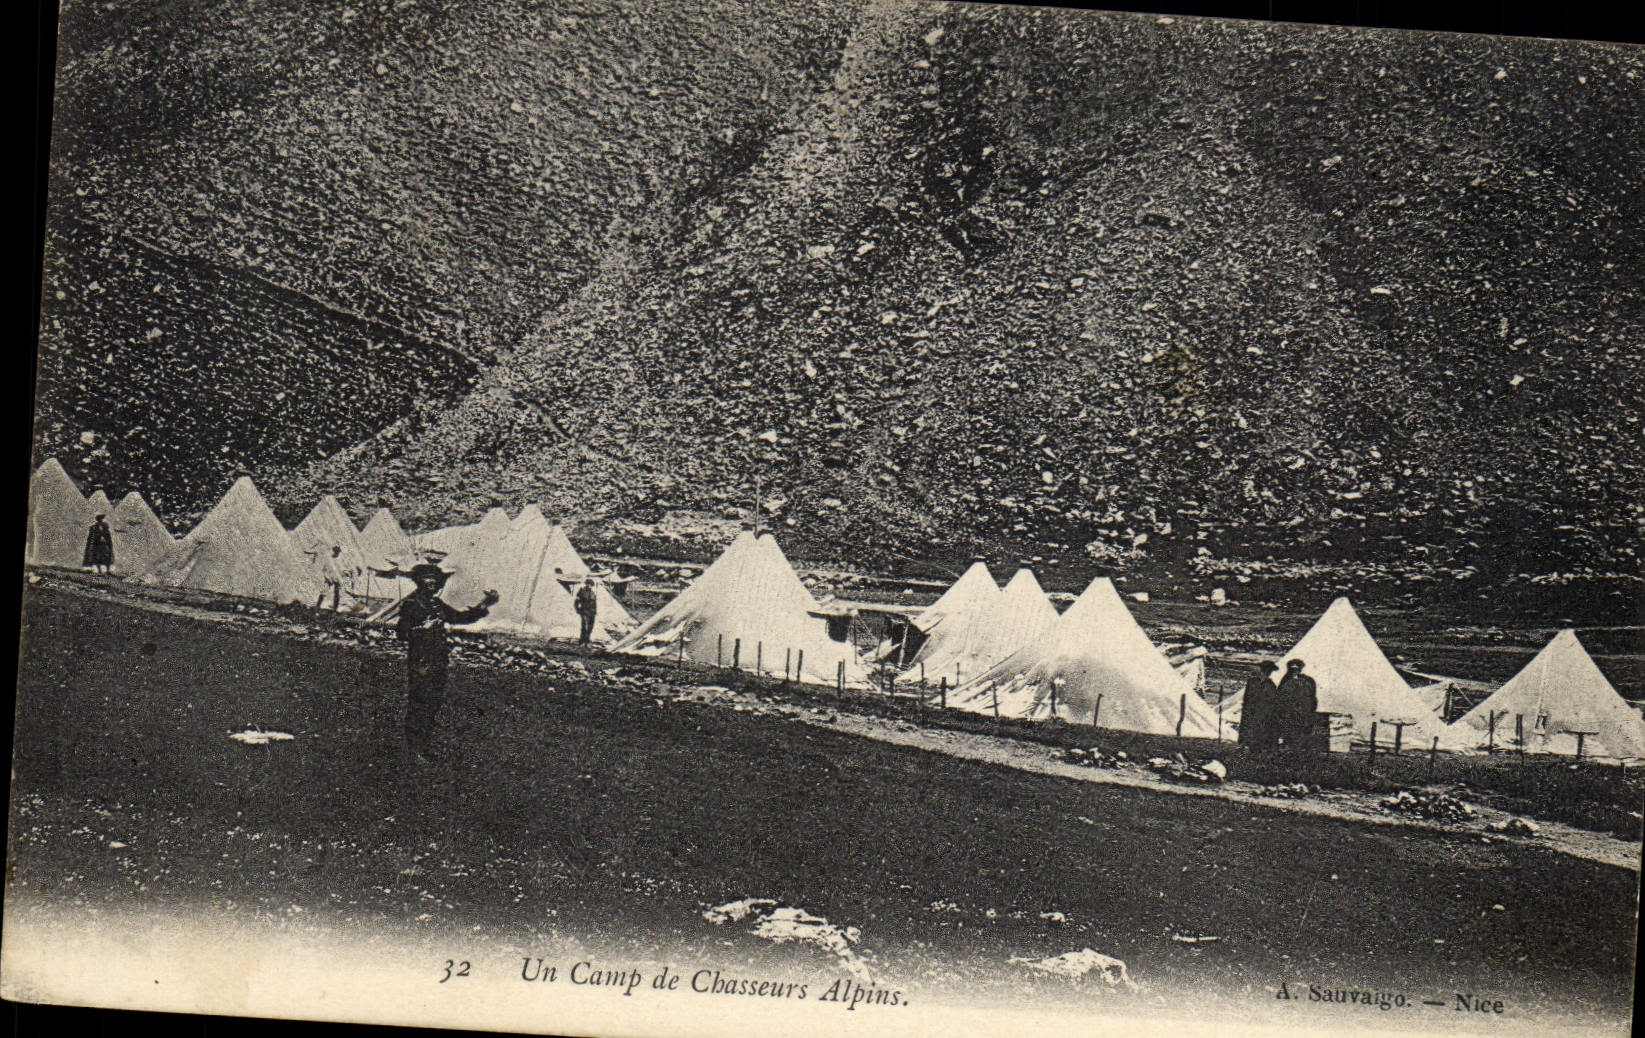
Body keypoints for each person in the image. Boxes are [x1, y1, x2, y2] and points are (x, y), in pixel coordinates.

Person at [396, 562, 499, 760]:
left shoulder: (436, 604)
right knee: (419, 704)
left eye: (434, 579)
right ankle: (414, 749)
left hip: (437, 662)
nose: (431, 582)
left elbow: (459, 617)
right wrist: (421, 629)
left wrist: (484, 605)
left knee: (432, 704)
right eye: (427, 578)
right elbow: (401, 633)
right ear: (418, 581)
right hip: (421, 663)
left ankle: (422, 747)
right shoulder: (411, 604)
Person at [1276, 658, 1323, 750]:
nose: (1294, 672)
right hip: (1290, 715)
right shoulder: (1286, 682)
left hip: (1303, 714)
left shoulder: (1308, 681)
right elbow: (1280, 699)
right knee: (1291, 736)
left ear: (1300, 669)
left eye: (1296, 669)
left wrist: (1310, 711)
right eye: (1292, 670)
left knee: (1301, 736)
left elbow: (1312, 698)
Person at [1238, 660, 1281, 749]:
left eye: (1269, 671)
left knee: (1262, 734)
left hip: (1264, 713)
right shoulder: (1252, 682)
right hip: (1253, 711)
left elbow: (1274, 701)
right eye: (1267, 670)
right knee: (1251, 732)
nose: (1268, 673)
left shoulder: (1271, 685)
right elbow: (1247, 698)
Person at [574, 578, 598, 646]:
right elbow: (576, 601)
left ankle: (587, 640)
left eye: (591, 584)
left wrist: (595, 611)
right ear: (586, 584)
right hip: (584, 610)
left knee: (591, 626)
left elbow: (594, 603)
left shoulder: (593, 593)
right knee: (584, 626)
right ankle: (582, 641)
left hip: (592, 612)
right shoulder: (582, 591)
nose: (589, 585)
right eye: (588, 584)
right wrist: (577, 609)